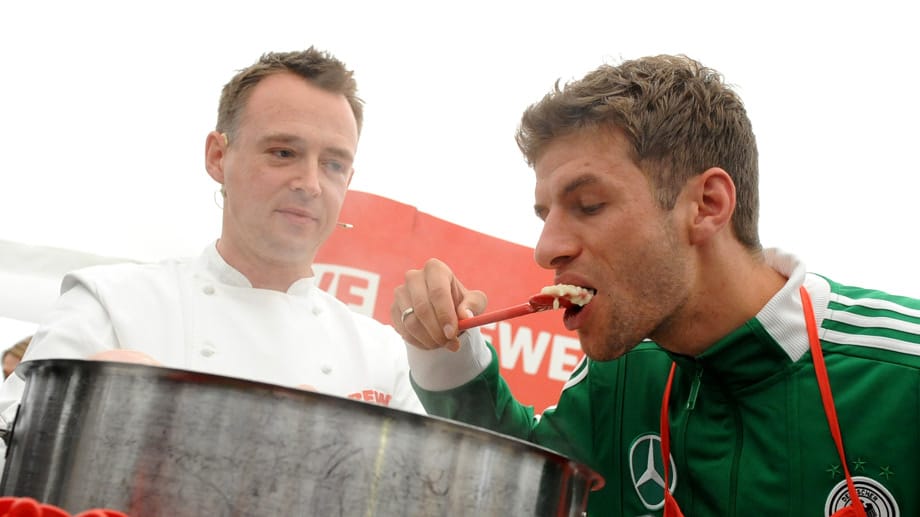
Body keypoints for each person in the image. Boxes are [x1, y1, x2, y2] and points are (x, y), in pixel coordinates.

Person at [392, 55, 920, 516]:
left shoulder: (902, 376)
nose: (545, 249)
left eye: (589, 205)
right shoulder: (615, 379)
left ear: (707, 206)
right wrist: (441, 347)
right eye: (544, 214)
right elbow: (511, 482)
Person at [0, 48, 424, 446]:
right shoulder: (110, 304)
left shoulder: (381, 354)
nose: (310, 184)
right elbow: (14, 454)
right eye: (283, 152)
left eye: (333, 164)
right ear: (218, 157)